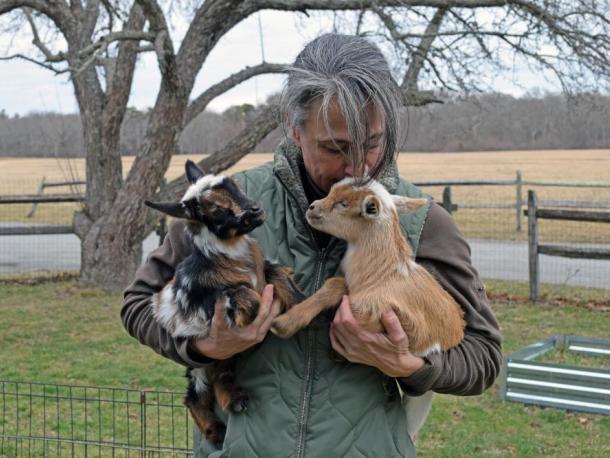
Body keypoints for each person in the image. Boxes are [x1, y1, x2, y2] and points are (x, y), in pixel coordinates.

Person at [122, 33, 502, 457]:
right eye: (335, 147)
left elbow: (483, 358)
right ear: (293, 125)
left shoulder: (422, 221)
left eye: (373, 143)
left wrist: (406, 365)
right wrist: (205, 347)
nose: (357, 166)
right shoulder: (230, 207)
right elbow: (137, 304)